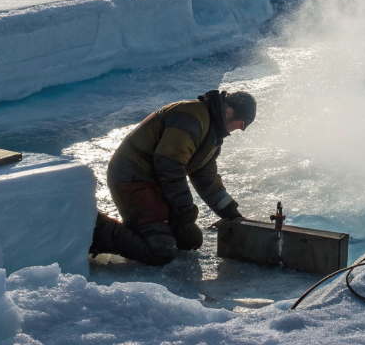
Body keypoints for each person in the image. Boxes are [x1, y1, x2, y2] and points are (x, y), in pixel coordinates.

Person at [90, 90, 256, 265]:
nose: (237, 130)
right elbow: (169, 166)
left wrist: (231, 213)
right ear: (229, 111)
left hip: (155, 183)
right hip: (133, 178)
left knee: (189, 242)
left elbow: (207, 180)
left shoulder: (212, 135)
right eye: (241, 125)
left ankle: (142, 228)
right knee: (161, 249)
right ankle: (94, 229)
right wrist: (184, 213)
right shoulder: (191, 117)